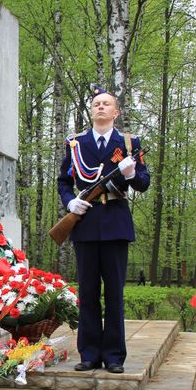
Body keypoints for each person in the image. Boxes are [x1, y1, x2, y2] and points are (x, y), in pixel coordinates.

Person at [57, 87, 150, 374]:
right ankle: (89, 354)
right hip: (84, 225)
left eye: (106, 104)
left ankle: (113, 356)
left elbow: (144, 183)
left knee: (114, 294)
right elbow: (63, 181)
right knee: (87, 292)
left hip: (115, 225)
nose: (100, 107)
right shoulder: (76, 143)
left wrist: (131, 174)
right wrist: (70, 202)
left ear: (115, 112)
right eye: (96, 104)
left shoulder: (130, 143)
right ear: (91, 111)